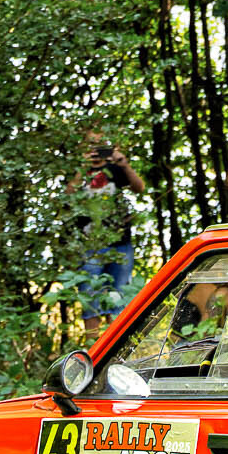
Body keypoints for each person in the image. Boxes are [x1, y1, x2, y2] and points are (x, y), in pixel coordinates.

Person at [69, 130, 147, 332]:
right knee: (90, 301)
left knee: (119, 299)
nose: (95, 150)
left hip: (120, 243)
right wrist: (82, 168)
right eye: (91, 145)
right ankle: (93, 348)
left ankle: (117, 347)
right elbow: (68, 196)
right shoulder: (78, 171)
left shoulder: (116, 169)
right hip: (90, 246)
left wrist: (124, 164)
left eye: (100, 145)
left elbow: (139, 188)